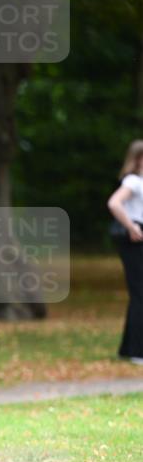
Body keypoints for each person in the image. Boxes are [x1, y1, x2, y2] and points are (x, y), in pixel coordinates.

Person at [107, 139, 143, 365]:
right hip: (135, 239)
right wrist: (131, 227)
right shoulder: (133, 181)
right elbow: (114, 203)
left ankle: (129, 348)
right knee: (140, 294)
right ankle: (137, 351)